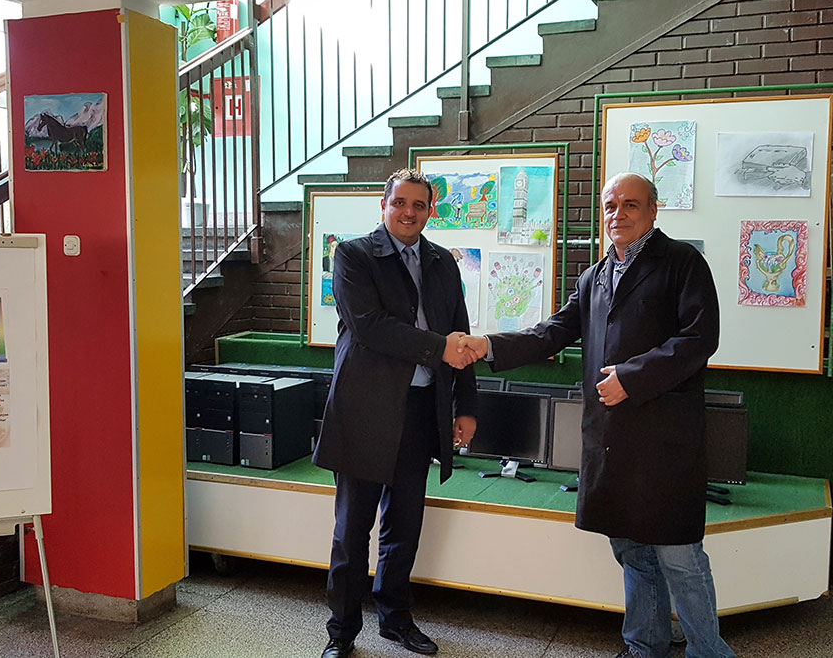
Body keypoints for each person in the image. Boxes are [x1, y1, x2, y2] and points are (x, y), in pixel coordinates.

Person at [459, 172, 734, 658]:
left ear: (653, 210)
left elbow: (699, 338)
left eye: (631, 204)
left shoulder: (683, 263)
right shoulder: (595, 277)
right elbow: (551, 333)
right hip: (611, 439)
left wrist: (631, 377)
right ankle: (644, 646)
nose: (618, 214)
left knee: (680, 557)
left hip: (664, 442)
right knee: (631, 551)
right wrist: (488, 345)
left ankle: (708, 652)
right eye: (610, 206)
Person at [313, 168, 479, 658]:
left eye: (419, 205)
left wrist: (465, 406)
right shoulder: (353, 255)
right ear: (383, 205)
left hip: (421, 410)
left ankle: (395, 619)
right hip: (365, 411)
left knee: (404, 526)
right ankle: (341, 632)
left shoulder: (442, 262)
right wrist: (438, 347)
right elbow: (370, 327)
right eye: (400, 203)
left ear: (430, 211)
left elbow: (461, 333)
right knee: (352, 531)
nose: (409, 213)